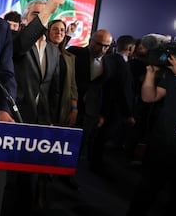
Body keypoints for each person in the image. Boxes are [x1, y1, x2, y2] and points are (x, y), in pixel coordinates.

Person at [0, 0, 65, 215]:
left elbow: (52, 91)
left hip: (39, 122)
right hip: (14, 118)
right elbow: (20, 47)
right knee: (9, 180)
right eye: (36, 14)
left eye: (46, 13)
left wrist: (51, 121)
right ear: (25, 19)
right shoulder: (13, 40)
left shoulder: (54, 51)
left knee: (31, 180)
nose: (43, 18)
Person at [127, 55, 176, 216]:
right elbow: (149, 97)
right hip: (162, 142)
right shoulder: (173, 73)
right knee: (147, 188)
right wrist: (150, 73)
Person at [67, 29, 113, 169]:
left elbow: (105, 90)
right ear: (91, 41)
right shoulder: (75, 52)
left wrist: (102, 113)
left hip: (90, 112)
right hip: (70, 106)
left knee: (80, 144)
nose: (102, 49)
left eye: (106, 46)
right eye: (99, 44)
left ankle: (69, 173)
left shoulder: (109, 62)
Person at [90, 35, 136, 172]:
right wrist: (128, 114)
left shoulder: (109, 59)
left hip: (103, 108)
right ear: (131, 48)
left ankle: (93, 162)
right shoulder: (121, 64)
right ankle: (95, 165)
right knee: (101, 139)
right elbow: (123, 92)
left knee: (98, 138)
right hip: (111, 110)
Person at [46, 19, 80, 189]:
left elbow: (73, 84)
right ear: (47, 31)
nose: (58, 32)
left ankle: (53, 174)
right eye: (55, 29)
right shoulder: (40, 52)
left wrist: (74, 108)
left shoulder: (69, 57)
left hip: (63, 106)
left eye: (62, 30)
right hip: (44, 106)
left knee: (58, 142)